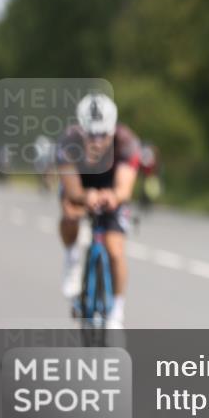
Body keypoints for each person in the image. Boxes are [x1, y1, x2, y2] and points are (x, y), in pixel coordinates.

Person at [55, 93, 140, 328]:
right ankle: (72, 257)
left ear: (113, 130)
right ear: (80, 130)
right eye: (90, 134)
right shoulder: (67, 142)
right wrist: (85, 197)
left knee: (114, 249)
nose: (97, 141)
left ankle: (117, 311)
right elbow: (71, 189)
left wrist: (113, 196)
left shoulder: (126, 141)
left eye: (103, 134)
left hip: (110, 188)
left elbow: (125, 188)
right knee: (70, 213)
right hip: (81, 187)